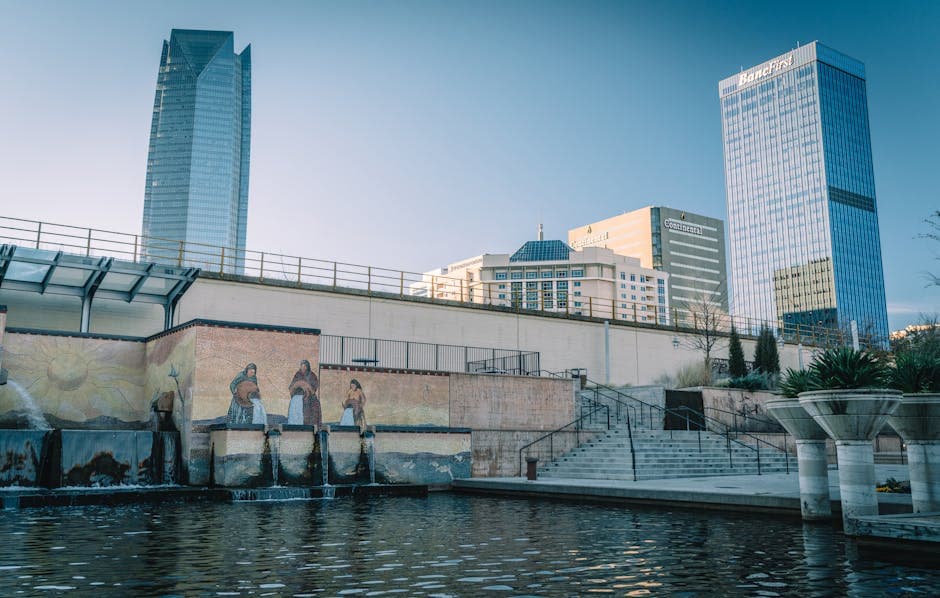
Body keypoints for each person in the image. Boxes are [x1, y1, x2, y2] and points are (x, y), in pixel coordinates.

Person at [288, 359, 321, 428]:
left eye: (304, 366)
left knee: (309, 415)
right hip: (297, 399)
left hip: (308, 400)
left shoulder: (312, 375)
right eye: (301, 366)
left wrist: (306, 386)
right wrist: (298, 384)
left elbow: (313, 389)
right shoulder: (297, 375)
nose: (303, 368)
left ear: (307, 367)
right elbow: (292, 387)